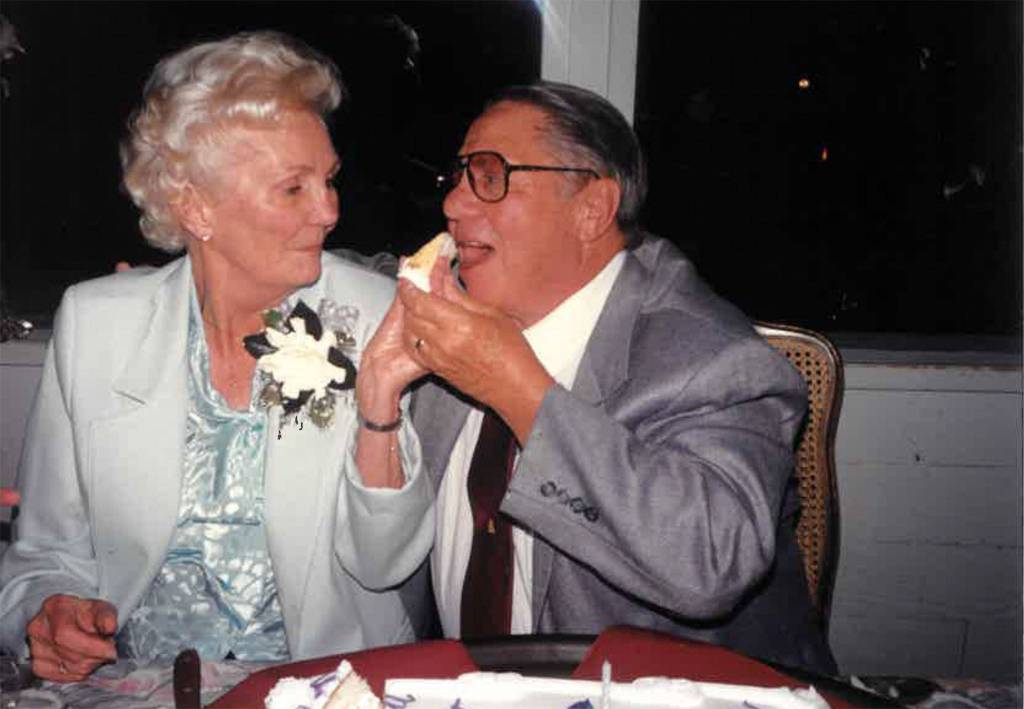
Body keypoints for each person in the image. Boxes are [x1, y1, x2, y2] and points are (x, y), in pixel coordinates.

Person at [0, 31, 434, 682]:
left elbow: (385, 565)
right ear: (196, 207)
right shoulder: (98, 324)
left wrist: (377, 411)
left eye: (329, 179)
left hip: (321, 687)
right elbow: (43, 553)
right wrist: (46, 610)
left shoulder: (372, 319)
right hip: (133, 687)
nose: (329, 210)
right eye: (294, 188)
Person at [361, 81, 837, 674]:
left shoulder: (710, 358)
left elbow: (713, 560)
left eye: (489, 175)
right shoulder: (453, 308)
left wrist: (515, 388)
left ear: (592, 208)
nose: (455, 204)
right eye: (458, 177)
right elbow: (345, 276)